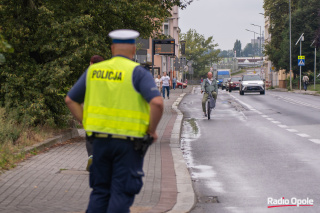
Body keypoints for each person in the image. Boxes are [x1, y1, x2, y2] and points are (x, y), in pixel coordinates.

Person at [65, 29, 164, 213]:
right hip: (128, 144)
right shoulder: (138, 73)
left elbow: (71, 100)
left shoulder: (93, 71)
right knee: (121, 192)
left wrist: (87, 122)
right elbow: (157, 103)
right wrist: (151, 130)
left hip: (99, 142)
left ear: (112, 48)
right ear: (134, 49)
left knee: (100, 191)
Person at [85, 55, 105, 172]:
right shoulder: (109, 75)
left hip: (91, 111)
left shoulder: (88, 75)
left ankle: (92, 157)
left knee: (90, 137)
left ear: (92, 63)